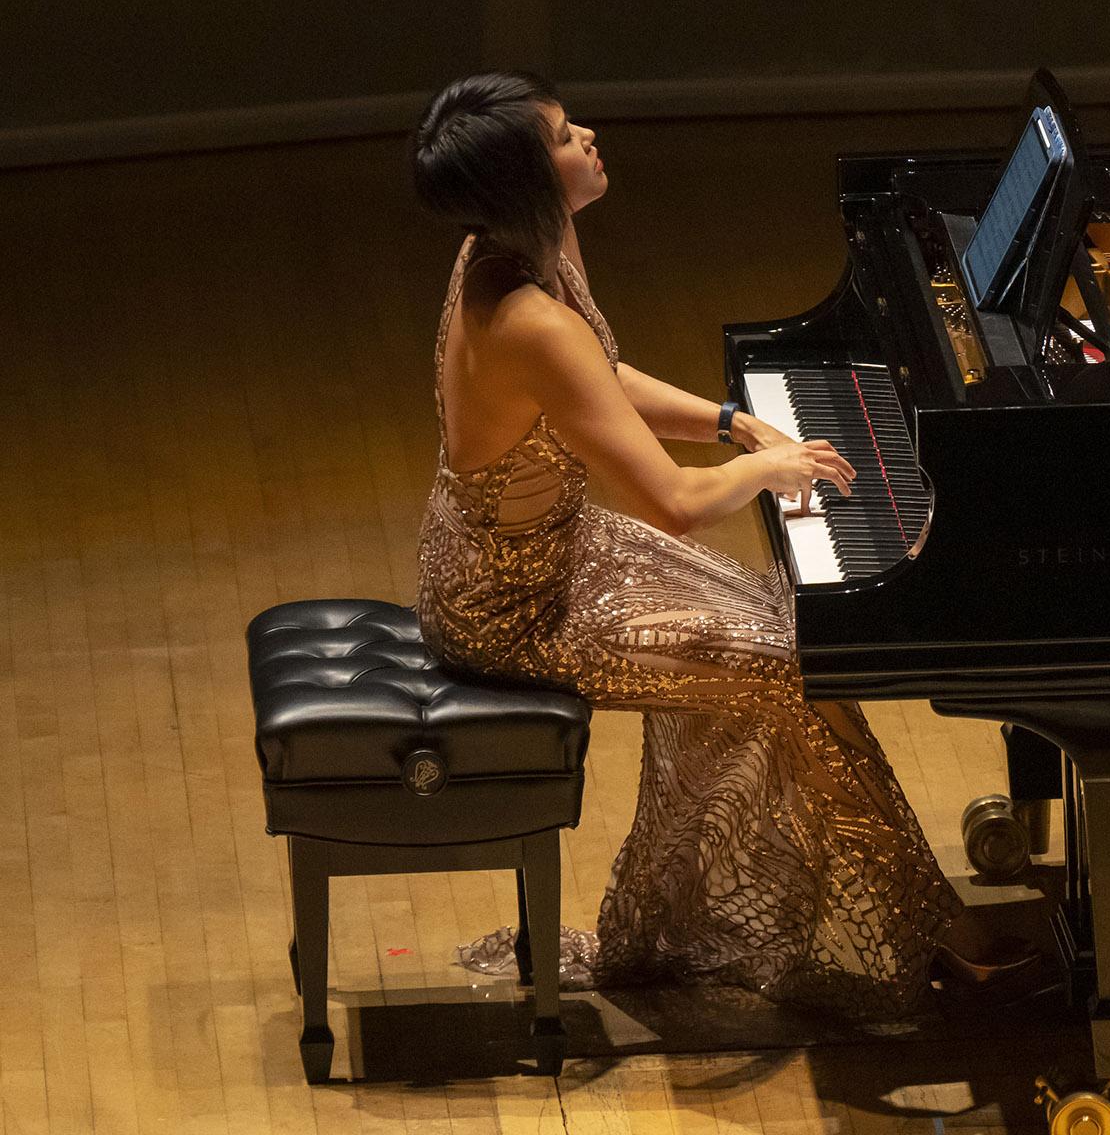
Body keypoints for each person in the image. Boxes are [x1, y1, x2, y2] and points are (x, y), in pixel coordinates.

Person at [409, 71, 1030, 1016]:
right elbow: (670, 502)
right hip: (516, 608)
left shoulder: (511, 252)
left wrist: (736, 422)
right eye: (566, 135)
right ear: (534, 182)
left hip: (540, 555)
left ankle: (746, 908)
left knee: (785, 632)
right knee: (786, 663)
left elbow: (601, 376)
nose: (590, 133)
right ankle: (931, 927)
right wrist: (770, 471)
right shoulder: (527, 318)